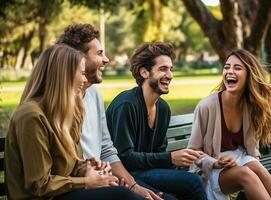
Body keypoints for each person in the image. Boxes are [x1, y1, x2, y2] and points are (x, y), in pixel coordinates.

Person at [4, 44, 144, 200]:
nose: (85, 80)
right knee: (121, 195)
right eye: (82, 73)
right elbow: (38, 184)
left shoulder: (68, 111)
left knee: (119, 188)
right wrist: (86, 181)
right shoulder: (31, 116)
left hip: (63, 194)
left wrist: (88, 168)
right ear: (64, 75)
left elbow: (70, 165)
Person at [56, 23, 162, 200]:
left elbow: (106, 149)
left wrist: (134, 185)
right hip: (78, 187)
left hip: (99, 180)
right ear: (78, 58)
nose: (106, 60)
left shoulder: (94, 94)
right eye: (99, 53)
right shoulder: (57, 102)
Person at [106, 42, 207, 200]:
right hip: (124, 175)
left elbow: (158, 153)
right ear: (145, 72)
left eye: (171, 69)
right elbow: (124, 157)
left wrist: (182, 161)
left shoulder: (163, 109)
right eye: (163, 69)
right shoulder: (126, 105)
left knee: (189, 184)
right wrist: (170, 158)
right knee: (192, 182)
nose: (170, 75)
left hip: (146, 172)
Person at [188, 48, 271, 200]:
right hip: (210, 168)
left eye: (237, 68)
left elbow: (252, 151)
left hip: (239, 160)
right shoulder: (206, 106)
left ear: (249, 75)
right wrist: (216, 162)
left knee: (256, 168)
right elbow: (193, 153)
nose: (229, 71)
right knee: (246, 174)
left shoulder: (250, 105)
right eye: (227, 67)